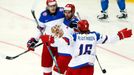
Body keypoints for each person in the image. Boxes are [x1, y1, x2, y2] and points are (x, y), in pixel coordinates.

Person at [65, 20, 132, 75]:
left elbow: (64, 40)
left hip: (74, 65)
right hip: (89, 65)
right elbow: (108, 39)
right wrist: (120, 35)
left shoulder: (75, 36)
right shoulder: (95, 36)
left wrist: (55, 40)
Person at [27, 0, 65, 75]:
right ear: (47, 6)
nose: (53, 8)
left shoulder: (62, 11)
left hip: (61, 43)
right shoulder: (43, 15)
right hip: (48, 43)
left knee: (60, 68)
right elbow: (40, 29)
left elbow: (71, 19)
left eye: (54, 6)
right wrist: (34, 40)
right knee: (46, 65)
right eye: (51, 6)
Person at [41, 4, 79, 75]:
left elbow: (78, 33)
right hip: (63, 50)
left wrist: (78, 26)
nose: (66, 14)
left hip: (68, 52)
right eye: (65, 12)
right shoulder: (65, 19)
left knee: (58, 72)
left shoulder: (74, 22)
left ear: (73, 12)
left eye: (69, 12)